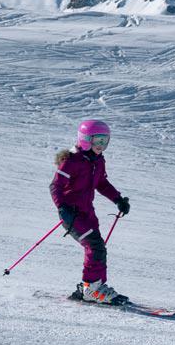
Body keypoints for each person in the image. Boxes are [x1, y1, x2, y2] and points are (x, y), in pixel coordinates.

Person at [51, 118, 131, 304]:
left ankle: (94, 286)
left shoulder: (97, 161)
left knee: (97, 248)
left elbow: (101, 183)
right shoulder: (71, 161)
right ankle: (91, 289)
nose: (102, 145)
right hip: (72, 214)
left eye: (105, 141)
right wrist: (63, 209)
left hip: (87, 212)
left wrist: (118, 199)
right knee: (95, 246)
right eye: (98, 141)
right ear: (86, 139)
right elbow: (55, 186)